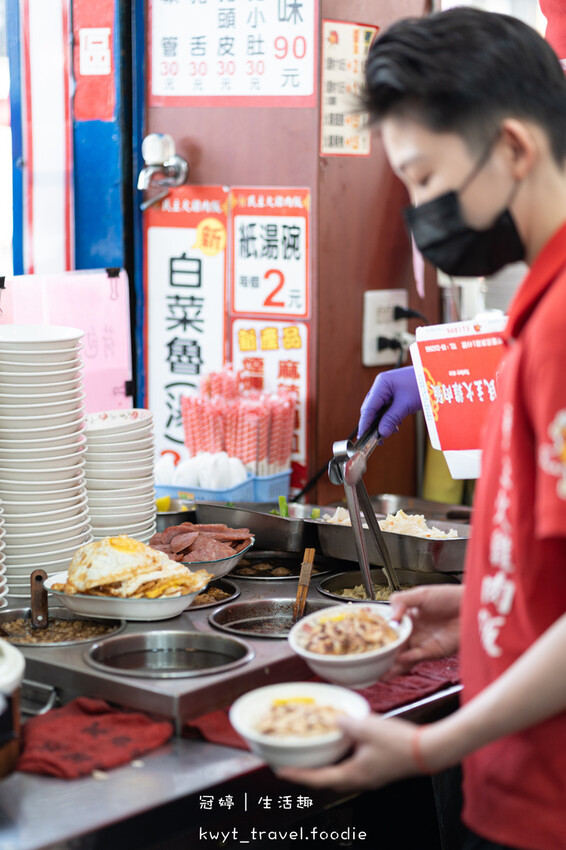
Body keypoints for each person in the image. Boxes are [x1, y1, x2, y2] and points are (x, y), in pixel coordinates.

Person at [277, 8, 566, 850]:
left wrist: (422, 745)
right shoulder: (537, 301)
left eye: (425, 176)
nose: (420, 210)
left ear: (513, 147)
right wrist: (479, 609)